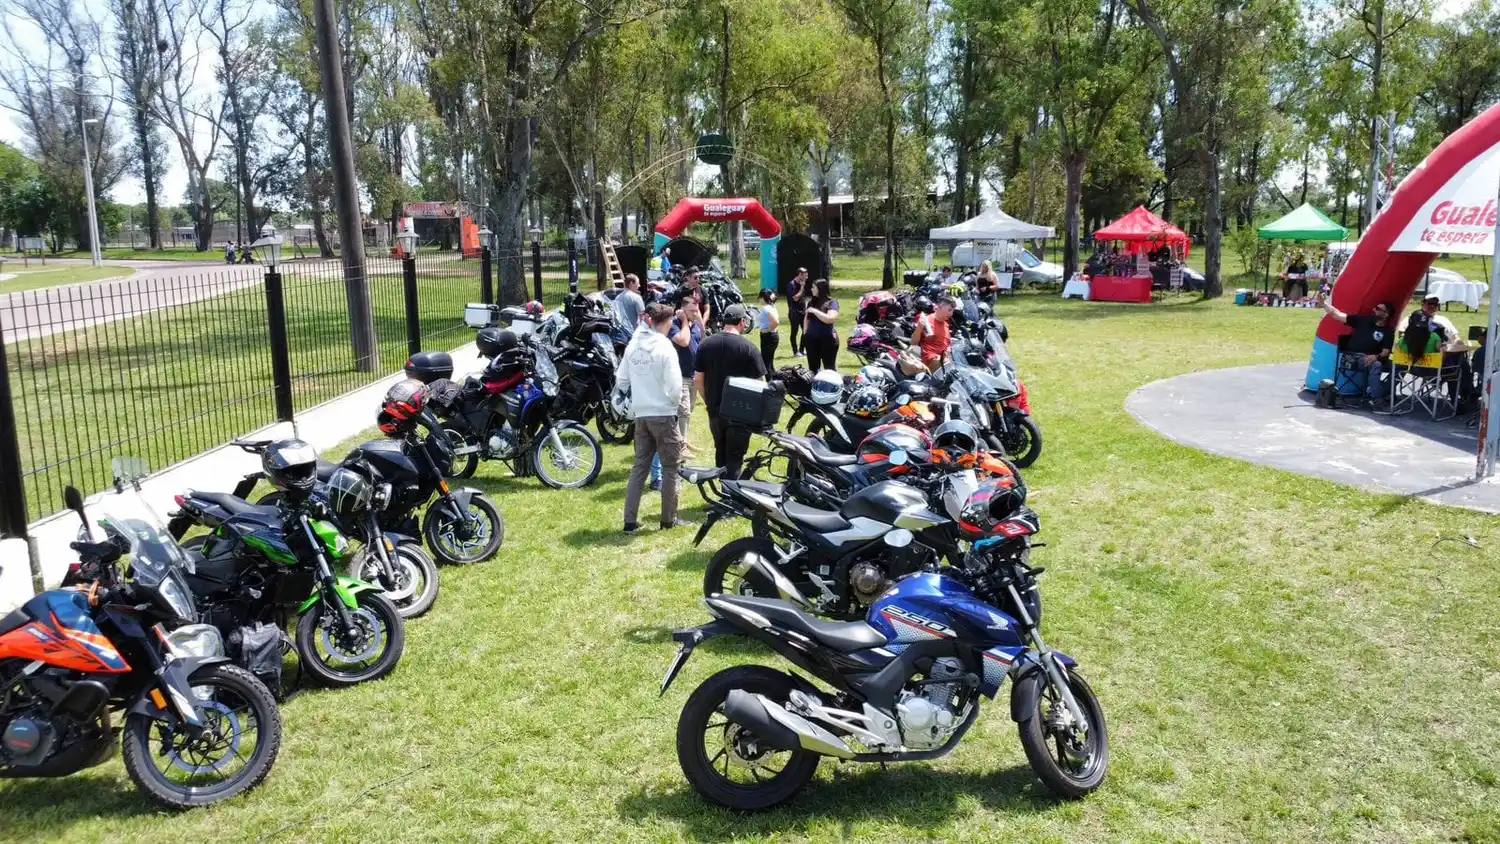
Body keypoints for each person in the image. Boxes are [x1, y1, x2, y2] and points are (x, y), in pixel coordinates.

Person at [618, 303, 689, 534]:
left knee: (640, 467)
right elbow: (675, 386)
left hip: (641, 415)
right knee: (671, 467)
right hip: (663, 414)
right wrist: (673, 405)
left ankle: (629, 521)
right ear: (666, 322)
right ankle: (668, 520)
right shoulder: (665, 346)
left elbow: (622, 381)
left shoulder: (633, 345)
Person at [695, 303, 766, 478]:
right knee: (735, 457)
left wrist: (709, 400)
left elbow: (698, 380)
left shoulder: (705, 344)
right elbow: (761, 384)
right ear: (742, 322)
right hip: (740, 413)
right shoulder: (749, 348)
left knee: (720, 451)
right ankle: (730, 493)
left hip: (715, 409)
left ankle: (723, 490)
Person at [650, 297, 704, 489]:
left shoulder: (694, 324)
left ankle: (683, 444)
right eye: (691, 310)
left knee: (687, 413)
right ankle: (679, 449)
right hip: (679, 377)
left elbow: (701, 339)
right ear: (681, 310)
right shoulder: (674, 325)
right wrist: (683, 321)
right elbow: (684, 341)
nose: (695, 313)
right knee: (683, 413)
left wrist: (698, 319)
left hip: (692, 375)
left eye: (697, 309)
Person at [1317, 291, 1393, 401]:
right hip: (1353, 357)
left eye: (1377, 309)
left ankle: (1383, 391)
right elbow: (1337, 314)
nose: (1373, 310)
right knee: (1376, 365)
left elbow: (1386, 351)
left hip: (1375, 358)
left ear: (1386, 315)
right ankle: (1376, 400)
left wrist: (1376, 356)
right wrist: (1324, 304)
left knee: (1399, 367)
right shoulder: (1362, 320)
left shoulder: (1388, 331)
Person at [802, 278, 840, 372]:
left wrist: (815, 311)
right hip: (811, 339)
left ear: (820, 289)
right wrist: (805, 333)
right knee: (813, 368)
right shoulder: (811, 302)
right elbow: (807, 318)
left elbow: (830, 319)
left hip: (827, 339)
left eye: (813, 287)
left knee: (829, 368)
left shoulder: (831, 302)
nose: (811, 289)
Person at [911, 294, 955, 372]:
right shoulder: (926, 321)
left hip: (944, 360)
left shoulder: (946, 324)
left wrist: (948, 349)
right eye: (949, 310)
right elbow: (914, 342)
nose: (951, 314)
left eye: (952, 311)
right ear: (939, 307)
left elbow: (947, 343)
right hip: (931, 362)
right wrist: (919, 328)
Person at [756, 288, 780, 373]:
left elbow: (776, 322)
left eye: (760, 298)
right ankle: (774, 378)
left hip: (768, 336)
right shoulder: (771, 306)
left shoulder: (767, 309)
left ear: (763, 298)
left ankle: (770, 380)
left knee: (766, 364)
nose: (759, 300)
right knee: (769, 362)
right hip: (772, 336)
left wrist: (767, 330)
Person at [787, 267, 809, 357]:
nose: (807, 278)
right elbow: (795, 298)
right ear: (800, 275)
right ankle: (795, 351)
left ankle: (802, 350)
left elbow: (803, 298)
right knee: (794, 332)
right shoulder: (791, 284)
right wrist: (802, 288)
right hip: (794, 312)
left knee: (805, 331)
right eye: (805, 276)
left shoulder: (802, 283)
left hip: (803, 311)